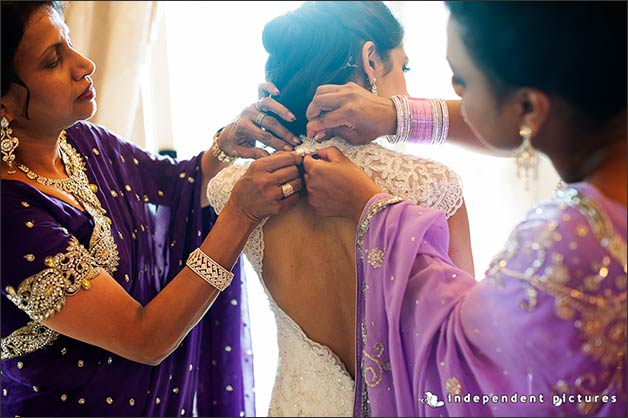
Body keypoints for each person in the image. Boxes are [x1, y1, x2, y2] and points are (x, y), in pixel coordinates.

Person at [301, 1, 627, 416]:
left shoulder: (569, 241)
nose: (453, 94)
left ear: (528, 107)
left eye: (463, 81)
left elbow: (469, 367)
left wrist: (373, 211)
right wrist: (396, 116)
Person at [0, 2, 303, 416]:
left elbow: (171, 186)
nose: (84, 64)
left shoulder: (79, 142)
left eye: (69, 41)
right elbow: (143, 338)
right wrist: (240, 215)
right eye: (53, 60)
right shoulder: (10, 216)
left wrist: (228, 142)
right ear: (5, 104)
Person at [208, 1, 474, 416]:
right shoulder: (434, 188)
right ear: (371, 60)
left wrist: (224, 140)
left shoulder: (234, 190)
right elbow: (459, 342)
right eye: (403, 69)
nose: (406, 91)